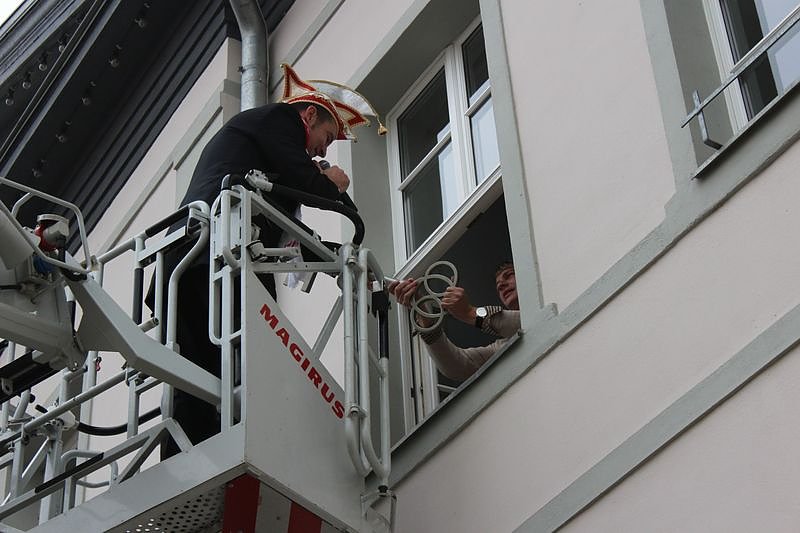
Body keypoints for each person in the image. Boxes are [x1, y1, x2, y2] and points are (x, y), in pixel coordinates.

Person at [151, 64, 385, 457]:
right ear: (308, 115)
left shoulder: (265, 160)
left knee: (199, 377)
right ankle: (223, 451)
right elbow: (308, 185)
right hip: (217, 254)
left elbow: (287, 228)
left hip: (196, 259)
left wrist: (332, 256)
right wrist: (335, 185)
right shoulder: (280, 119)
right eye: (326, 137)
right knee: (245, 355)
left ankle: (189, 458)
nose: (323, 151)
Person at [388, 261, 520, 381]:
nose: (501, 285)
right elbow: (456, 366)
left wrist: (469, 312)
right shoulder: (504, 344)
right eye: (498, 286)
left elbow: (520, 321)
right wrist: (424, 315)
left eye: (509, 275)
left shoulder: (532, 312)